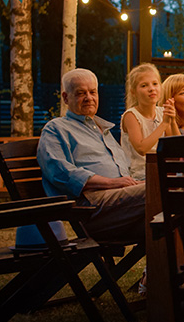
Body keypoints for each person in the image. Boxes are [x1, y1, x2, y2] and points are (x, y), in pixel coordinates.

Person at [37, 68, 145, 245]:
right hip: (89, 210)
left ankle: (173, 270)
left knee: (172, 199)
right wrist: (112, 183)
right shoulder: (56, 129)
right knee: (159, 192)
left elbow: (125, 176)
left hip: (121, 205)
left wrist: (138, 181)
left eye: (92, 92)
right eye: (80, 93)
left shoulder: (102, 130)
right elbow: (60, 172)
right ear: (65, 98)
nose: (89, 98)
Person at [120, 63, 180, 180]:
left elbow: (177, 147)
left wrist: (172, 121)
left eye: (155, 84)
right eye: (144, 86)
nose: (151, 89)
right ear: (133, 92)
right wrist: (164, 124)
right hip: (139, 175)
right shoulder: (131, 116)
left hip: (162, 170)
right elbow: (141, 149)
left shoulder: (161, 112)